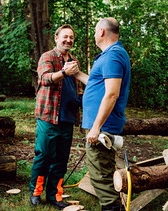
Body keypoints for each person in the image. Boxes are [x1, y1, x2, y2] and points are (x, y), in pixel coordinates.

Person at [75, 17, 131, 211]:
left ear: (101, 32)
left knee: (101, 176)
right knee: (103, 172)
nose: (94, 34)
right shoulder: (111, 55)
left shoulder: (113, 56)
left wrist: (96, 127)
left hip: (103, 127)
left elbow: (112, 93)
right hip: (102, 125)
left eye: (94, 31)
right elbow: (98, 83)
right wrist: (77, 73)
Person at [29, 24, 83, 210]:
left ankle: (55, 195)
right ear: (57, 38)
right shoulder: (48, 57)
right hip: (48, 116)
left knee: (61, 158)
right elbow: (44, 78)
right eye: (65, 37)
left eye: (71, 37)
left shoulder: (75, 61)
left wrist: (81, 98)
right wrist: (63, 72)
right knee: (43, 155)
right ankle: (36, 193)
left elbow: (79, 87)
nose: (68, 40)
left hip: (67, 118)